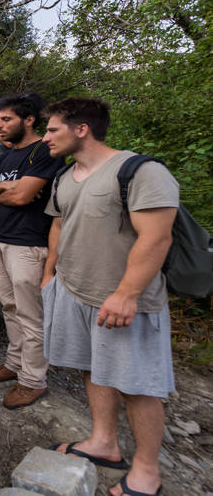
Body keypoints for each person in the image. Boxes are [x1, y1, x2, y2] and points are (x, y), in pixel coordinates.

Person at [41, 98, 178, 496]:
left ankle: (147, 474)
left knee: (138, 384)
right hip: (74, 290)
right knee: (93, 367)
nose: (46, 137)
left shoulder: (141, 171)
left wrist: (127, 293)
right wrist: (51, 274)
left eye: (52, 130)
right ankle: (104, 443)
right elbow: (60, 226)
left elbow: (157, 236)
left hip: (123, 300)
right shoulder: (65, 177)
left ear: (81, 129)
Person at [0, 93, 65, 409]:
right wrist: (2, 188)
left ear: (28, 120)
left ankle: (32, 381)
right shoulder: (8, 156)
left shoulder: (45, 152)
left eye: (6, 119)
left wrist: (2, 191)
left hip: (29, 243)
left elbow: (25, 196)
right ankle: (14, 364)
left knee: (30, 315)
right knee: (9, 308)